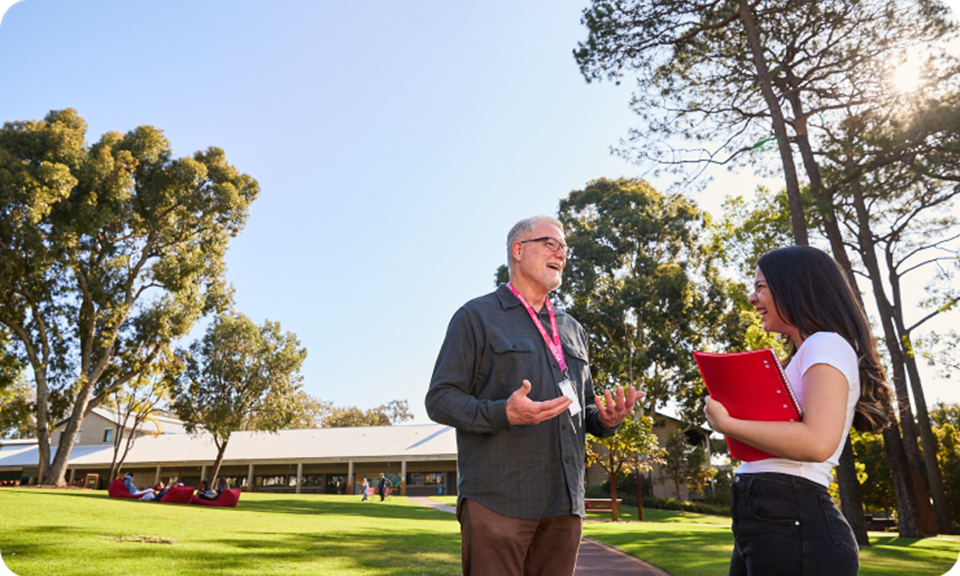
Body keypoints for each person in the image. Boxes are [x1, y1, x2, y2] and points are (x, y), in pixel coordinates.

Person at [425, 215, 639, 576]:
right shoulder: (475, 317)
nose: (562, 254)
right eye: (551, 244)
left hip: (565, 504)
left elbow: (581, 407)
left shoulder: (572, 329)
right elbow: (440, 399)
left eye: (565, 248)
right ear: (518, 250)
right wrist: (502, 413)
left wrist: (604, 419)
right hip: (499, 502)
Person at [704, 245, 893, 576]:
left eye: (760, 287)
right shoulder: (804, 354)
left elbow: (817, 442)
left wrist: (727, 424)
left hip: (794, 520)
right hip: (771, 518)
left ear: (794, 288)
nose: (752, 298)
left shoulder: (826, 344)